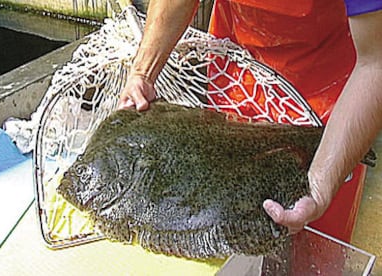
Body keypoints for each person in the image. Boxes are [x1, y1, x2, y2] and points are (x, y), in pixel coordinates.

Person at [118, 0, 382, 241]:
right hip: (236, 73)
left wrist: (319, 190)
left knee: (309, 241)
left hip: (332, 95)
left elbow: (375, 63)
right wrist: (143, 72)